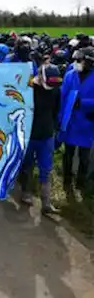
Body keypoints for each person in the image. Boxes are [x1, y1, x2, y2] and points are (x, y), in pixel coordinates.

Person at [18, 58, 63, 215]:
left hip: (46, 135)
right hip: (29, 135)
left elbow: (56, 110)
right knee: (27, 166)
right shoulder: (28, 88)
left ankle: (46, 202)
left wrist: (55, 128)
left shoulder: (56, 90)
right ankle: (26, 193)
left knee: (46, 168)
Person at [59, 50, 94, 197]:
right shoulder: (70, 75)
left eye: (81, 61)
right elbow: (62, 97)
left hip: (87, 122)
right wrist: (60, 118)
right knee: (68, 154)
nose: (78, 64)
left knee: (84, 157)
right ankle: (67, 181)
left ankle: (81, 182)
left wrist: (84, 103)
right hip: (71, 121)